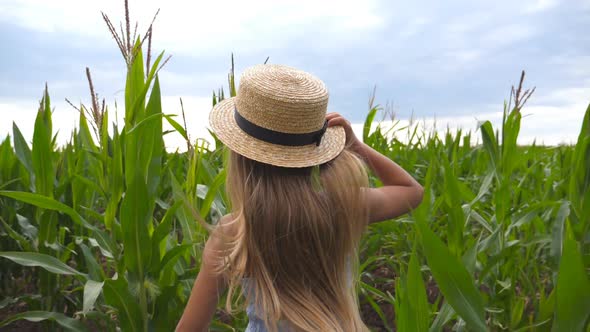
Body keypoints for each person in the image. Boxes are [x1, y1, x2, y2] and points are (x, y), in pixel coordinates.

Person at [176, 64, 424, 331]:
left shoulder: (233, 233)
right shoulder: (343, 206)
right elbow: (411, 191)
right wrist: (356, 146)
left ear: (239, 157)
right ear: (315, 152)